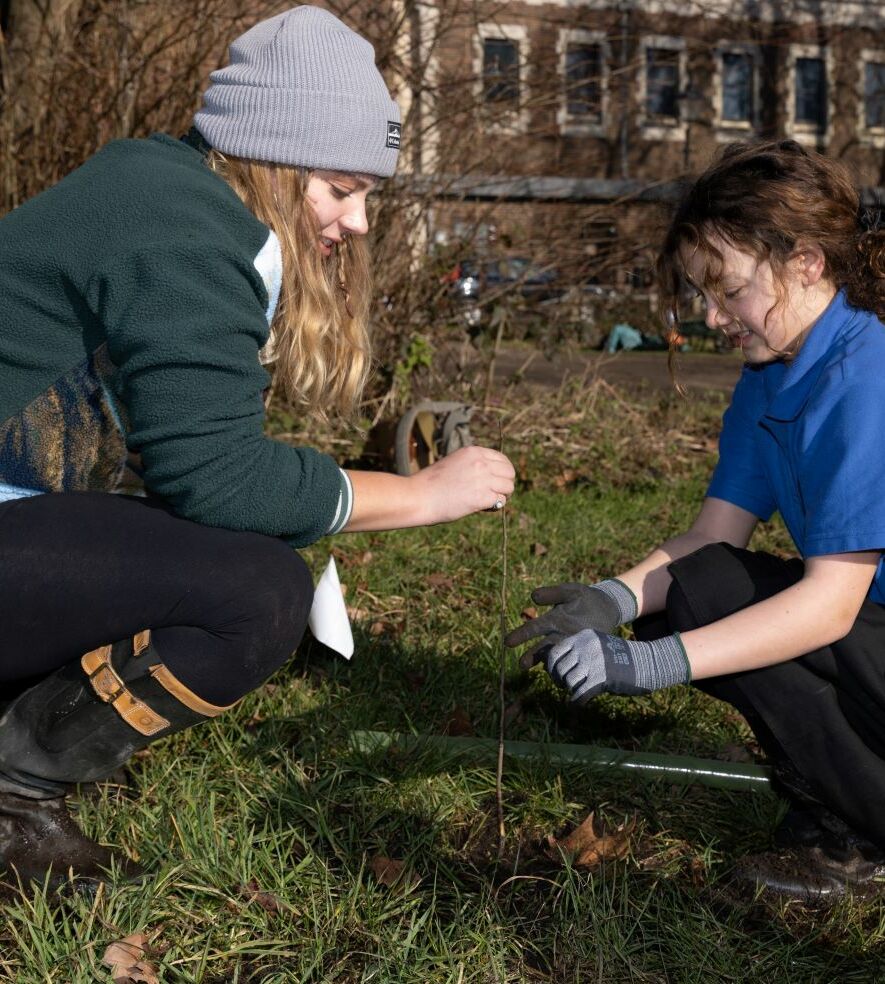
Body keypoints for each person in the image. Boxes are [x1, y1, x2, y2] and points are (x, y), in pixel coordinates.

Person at [0, 6, 514, 888]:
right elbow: (219, 479)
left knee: (214, 553)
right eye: (338, 188)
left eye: (365, 196)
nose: (356, 221)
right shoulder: (188, 231)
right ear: (272, 160)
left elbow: (168, 460)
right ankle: (12, 797)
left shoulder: (161, 184)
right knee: (257, 590)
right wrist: (422, 496)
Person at [506, 139, 885, 901]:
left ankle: (860, 827)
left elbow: (830, 603)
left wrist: (650, 665)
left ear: (806, 262)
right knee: (696, 587)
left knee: (700, 614)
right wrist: (610, 599)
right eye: (700, 295)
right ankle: (851, 803)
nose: (712, 317)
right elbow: (712, 537)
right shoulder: (773, 367)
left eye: (727, 291)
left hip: (859, 621)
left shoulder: (866, 373)